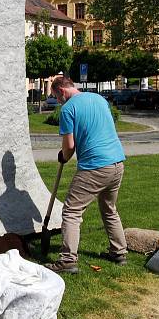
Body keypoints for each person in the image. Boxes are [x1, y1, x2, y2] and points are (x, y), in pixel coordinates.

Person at [45, 76, 127, 274]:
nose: (58, 101)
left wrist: (63, 156)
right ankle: (119, 252)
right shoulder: (99, 99)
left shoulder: (68, 109)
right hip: (117, 162)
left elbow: (69, 146)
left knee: (72, 211)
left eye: (56, 97)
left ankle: (67, 260)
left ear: (62, 91)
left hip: (95, 166)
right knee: (109, 208)